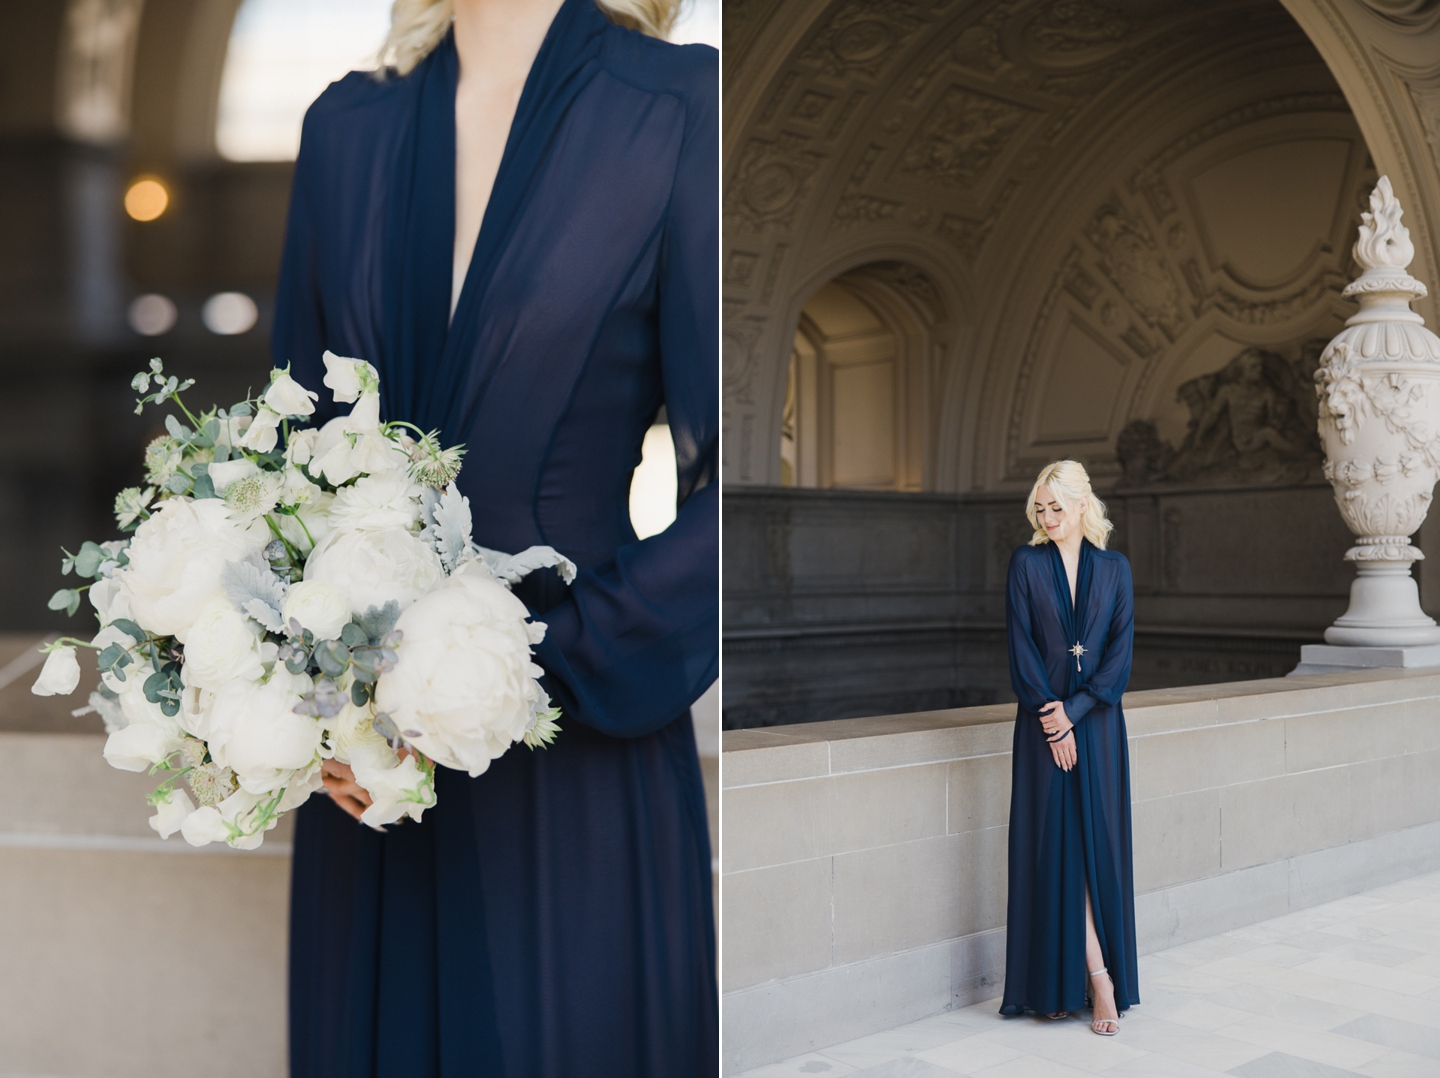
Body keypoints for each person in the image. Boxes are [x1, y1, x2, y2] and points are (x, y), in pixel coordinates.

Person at [271, 0, 718, 1073]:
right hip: (366, 780)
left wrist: (528, 668)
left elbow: (740, 499)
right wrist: (312, 697)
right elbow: (287, 467)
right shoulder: (345, 130)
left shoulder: (681, 108)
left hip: (575, 758)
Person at [999, 460, 1137, 1036]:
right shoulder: (1026, 564)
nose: (1048, 517)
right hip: (1041, 726)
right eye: (1041, 507)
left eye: (1058, 506)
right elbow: (1021, 647)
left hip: (1099, 726)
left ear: (1083, 505)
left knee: (1093, 848)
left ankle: (1098, 978)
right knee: (1053, 849)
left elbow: (1119, 657)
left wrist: (1075, 715)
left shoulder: (1115, 568)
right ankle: (1070, 981)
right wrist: (1052, 720)